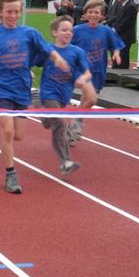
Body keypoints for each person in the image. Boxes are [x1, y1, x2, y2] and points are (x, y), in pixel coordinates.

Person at [0, 0, 69, 194]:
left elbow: (46, 48)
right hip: (0, 88)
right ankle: (11, 174)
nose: (13, 16)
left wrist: (57, 58)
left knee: (19, 136)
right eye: (9, 12)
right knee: (7, 131)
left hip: (21, 88)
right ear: (0, 12)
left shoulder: (29, 33)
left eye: (16, 12)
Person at [38, 15, 94, 174]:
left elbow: (87, 72)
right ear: (55, 32)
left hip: (64, 96)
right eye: (64, 30)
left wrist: (83, 79)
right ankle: (65, 162)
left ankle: (43, 114)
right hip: (49, 94)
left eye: (70, 30)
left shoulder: (77, 52)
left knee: (52, 122)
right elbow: (31, 60)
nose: (68, 33)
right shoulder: (48, 50)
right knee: (60, 124)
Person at [67, 0, 123, 145]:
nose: (93, 15)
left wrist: (116, 54)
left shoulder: (106, 31)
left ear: (102, 16)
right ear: (85, 14)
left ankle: (74, 130)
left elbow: (115, 45)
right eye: (90, 12)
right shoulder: (78, 30)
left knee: (85, 100)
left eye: (96, 13)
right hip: (83, 71)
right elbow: (67, 46)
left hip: (98, 71)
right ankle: (74, 125)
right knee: (91, 100)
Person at [111, 0, 137, 69]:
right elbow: (118, 18)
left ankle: (122, 76)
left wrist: (115, 30)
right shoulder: (123, 5)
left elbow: (126, 22)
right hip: (121, 36)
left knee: (123, 58)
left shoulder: (131, 6)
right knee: (119, 56)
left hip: (125, 37)